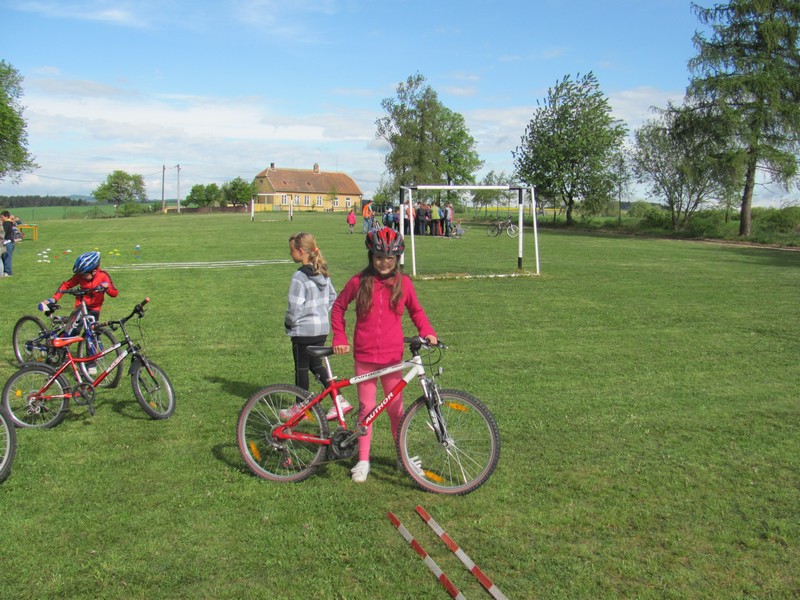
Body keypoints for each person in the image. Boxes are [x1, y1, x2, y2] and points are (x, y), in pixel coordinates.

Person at [331, 228, 437, 483]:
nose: (384, 262)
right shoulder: (358, 282)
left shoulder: (404, 283)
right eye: (379, 257)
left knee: (396, 410)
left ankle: (402, 457)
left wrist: (427, 331)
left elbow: (417, 311)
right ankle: (363, 460)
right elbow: (338, 307)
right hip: (365, 356)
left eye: (390, 258)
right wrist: (339, 337)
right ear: (371, 256)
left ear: (397, 258)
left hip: (392, 359)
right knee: (366, 410)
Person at [280, 232, 352, 421]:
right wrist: (320, 312)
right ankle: (339, 400)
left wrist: (289, 323)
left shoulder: (299, 277)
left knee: (301, 368)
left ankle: (301, 408)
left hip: (303, 331)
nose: (290, 254)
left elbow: (294, 307)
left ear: (301, 251)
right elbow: (333, 297)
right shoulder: (323, 273)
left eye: (292, 250)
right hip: (320, 329)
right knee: (315, 365)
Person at [41, 251, 119, 372]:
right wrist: (54, 298)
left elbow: (115, 293)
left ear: (94, 271)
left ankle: (91, 363)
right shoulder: (80, 276)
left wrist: (107, 288)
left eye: (84, 275)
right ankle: (56, 348)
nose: (82, 277)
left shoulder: (103, 276)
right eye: (80, 275)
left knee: (91, 333)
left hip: (94, 309)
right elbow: (66, 285)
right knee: (73, 331)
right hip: (81, 307)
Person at [1, 211, 15, 277]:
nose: (1, 218)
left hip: (8, 242)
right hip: (10, 242)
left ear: (6, 217)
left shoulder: (6, 223)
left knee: (7, 257)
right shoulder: (10, 223)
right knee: (6, 257)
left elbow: (4, 233)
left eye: (2, 217)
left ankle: (8, 272)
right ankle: (5, 271)